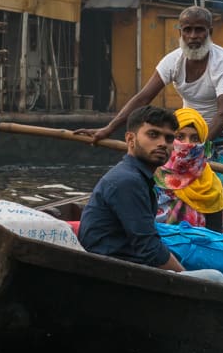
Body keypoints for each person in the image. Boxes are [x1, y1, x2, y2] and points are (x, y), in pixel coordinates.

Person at [76, 5, 223, 230]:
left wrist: (201, 147)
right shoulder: (173, 61)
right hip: (186, 135)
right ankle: (168, 222)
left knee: (220, 182)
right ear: (180, 32)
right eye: (187, 30)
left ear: (210, 32)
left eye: (199, 30)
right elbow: (142, 98)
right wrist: (107, 130)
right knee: (161, 181)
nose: (193, 36)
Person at [77, 105, 185, 270]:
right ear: (130, 139)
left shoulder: (136, 177)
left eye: (169, 139)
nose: (163, 144)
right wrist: (184, 276)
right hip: (111, 269)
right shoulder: (128, 181)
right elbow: (150, 249)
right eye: (153, 134)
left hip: (123, 261)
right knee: (215, 277)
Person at [154, 107, 223, 232]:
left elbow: (214, 234)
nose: (187, 144)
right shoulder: (152, 175)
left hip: (195, 248)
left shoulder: (211, 184)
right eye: (180, 137)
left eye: (195, 139)